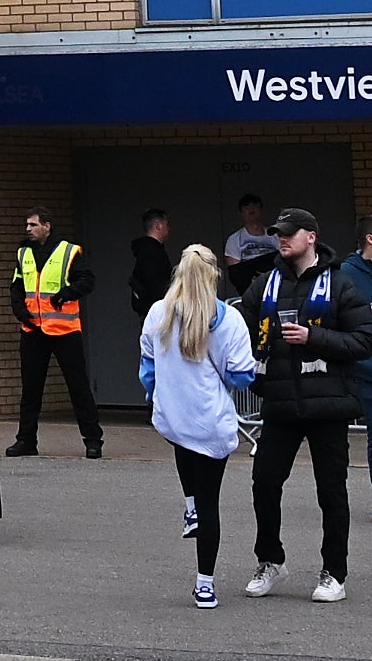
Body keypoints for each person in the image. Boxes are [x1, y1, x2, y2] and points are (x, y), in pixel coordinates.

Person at [242, 215, 359, 601]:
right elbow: (241, 333)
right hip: (280, 402)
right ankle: (270, 559)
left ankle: (334, 573)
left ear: (312, 236)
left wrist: (315, 336)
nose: (282, 240)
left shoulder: (340, 282)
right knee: (265, 482)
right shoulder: (264, 283)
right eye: (277, 235)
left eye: (289, 234)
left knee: (331, 491)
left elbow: (365, 341)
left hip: (328, 403)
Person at [136, 238, 251, 605]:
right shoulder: (228, 318)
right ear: (214, 274)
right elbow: (241, 373)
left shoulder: (159, 313)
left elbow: (147, 362)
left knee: (182, 448)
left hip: (173, 414)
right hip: (210, 419)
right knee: (211, 500)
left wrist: (154, 391)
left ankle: (190, 508)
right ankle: (206, 583)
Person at [6, 211, 103, 457]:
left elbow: (87, 280)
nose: (27, 229)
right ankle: (26, 440)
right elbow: (17, 286)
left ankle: (92, 440)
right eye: (26, 225)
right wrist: (19, 311)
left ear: (47, 226)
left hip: (64, 330)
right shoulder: (24, 253)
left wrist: (66, 293)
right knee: (31, 389)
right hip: (33, 329)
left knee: (78, 386)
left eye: (32, 224)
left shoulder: (68, 252)